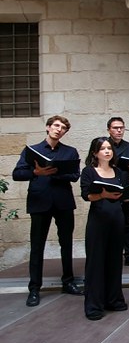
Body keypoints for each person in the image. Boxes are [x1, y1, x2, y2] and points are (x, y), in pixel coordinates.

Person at [12, 114, 83, 307]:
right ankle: (34, 288)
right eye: (56, 126)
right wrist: (36, 172)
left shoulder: (70, 152)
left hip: (63, 202)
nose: (59, 130)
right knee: (37, 246)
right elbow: (17, 174)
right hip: (39, 201)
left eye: (63, 128)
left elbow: (75, 175)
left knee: (66, 243)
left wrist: (55, 173)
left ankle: (68, 281)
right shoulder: (32, 150)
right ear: (48, 127)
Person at [79, 137, 128, 320]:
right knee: (96, 262)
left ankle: (113, 300)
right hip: (98, 220)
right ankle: (94, 306)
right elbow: (86, 195)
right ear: (95, 152)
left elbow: (122, 194)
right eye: (103, 149)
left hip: (117, 218)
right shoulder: (89, 172)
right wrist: (103, 194)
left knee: (115, 260)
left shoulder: (119, 172)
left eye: (109, 148)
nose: (107, 151)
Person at [106, 117, 129, 267]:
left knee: (126, 223)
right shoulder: (103, 145)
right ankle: (109, 254)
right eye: (115, 128)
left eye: (121, 127)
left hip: (125, 189)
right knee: (108, 222)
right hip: (107, 187)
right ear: (109, 129)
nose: (119, 130)